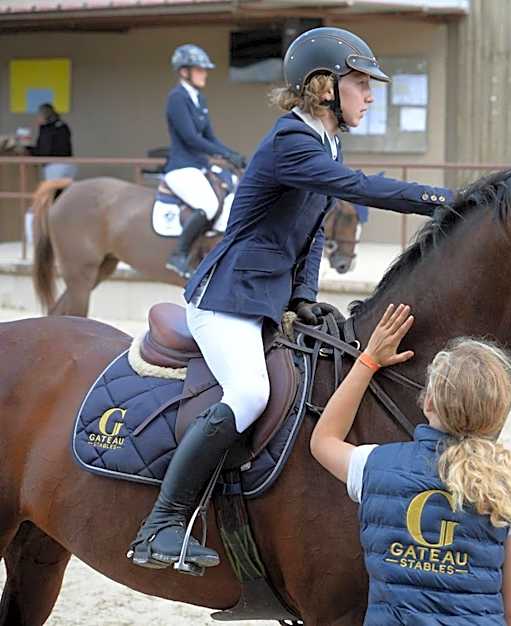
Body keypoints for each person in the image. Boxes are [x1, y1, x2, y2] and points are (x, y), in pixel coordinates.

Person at [127, 27, 453, 573]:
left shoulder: (326, 142)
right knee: (250, 393)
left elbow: (313, 228)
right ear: (325, 86)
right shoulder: (291, 141)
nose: (370, 96)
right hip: (226, 298)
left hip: (266, 297)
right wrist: (444, 200)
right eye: (361, 84)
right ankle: (160, 524)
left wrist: (303, 297)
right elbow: (357, 188)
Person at [310, 303, 511, 625]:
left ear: (428, 401)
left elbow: (323, 440)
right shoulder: (505, 490)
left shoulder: (373, 465)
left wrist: (368, 360)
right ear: (496, 415)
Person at [163, 43, 247, 278]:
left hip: (200, 166)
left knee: (231, 192)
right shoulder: (177, 98)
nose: (205, 74)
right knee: (208, 205)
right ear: (184, 72)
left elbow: (210, 137)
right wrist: (224, 155)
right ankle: (178, 255)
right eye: (199, 70)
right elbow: (190, 138)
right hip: (181, 167)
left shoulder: (199, 98)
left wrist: (232, 154)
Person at [27, 103, 76, 182]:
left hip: (55, 166)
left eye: (39, 115)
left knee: (51, 189)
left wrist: (28, 150)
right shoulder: (62, 126)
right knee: (66, 189)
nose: (37, 118)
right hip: (69, 165)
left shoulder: (48, 129)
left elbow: (44, 150)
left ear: (45, 116)